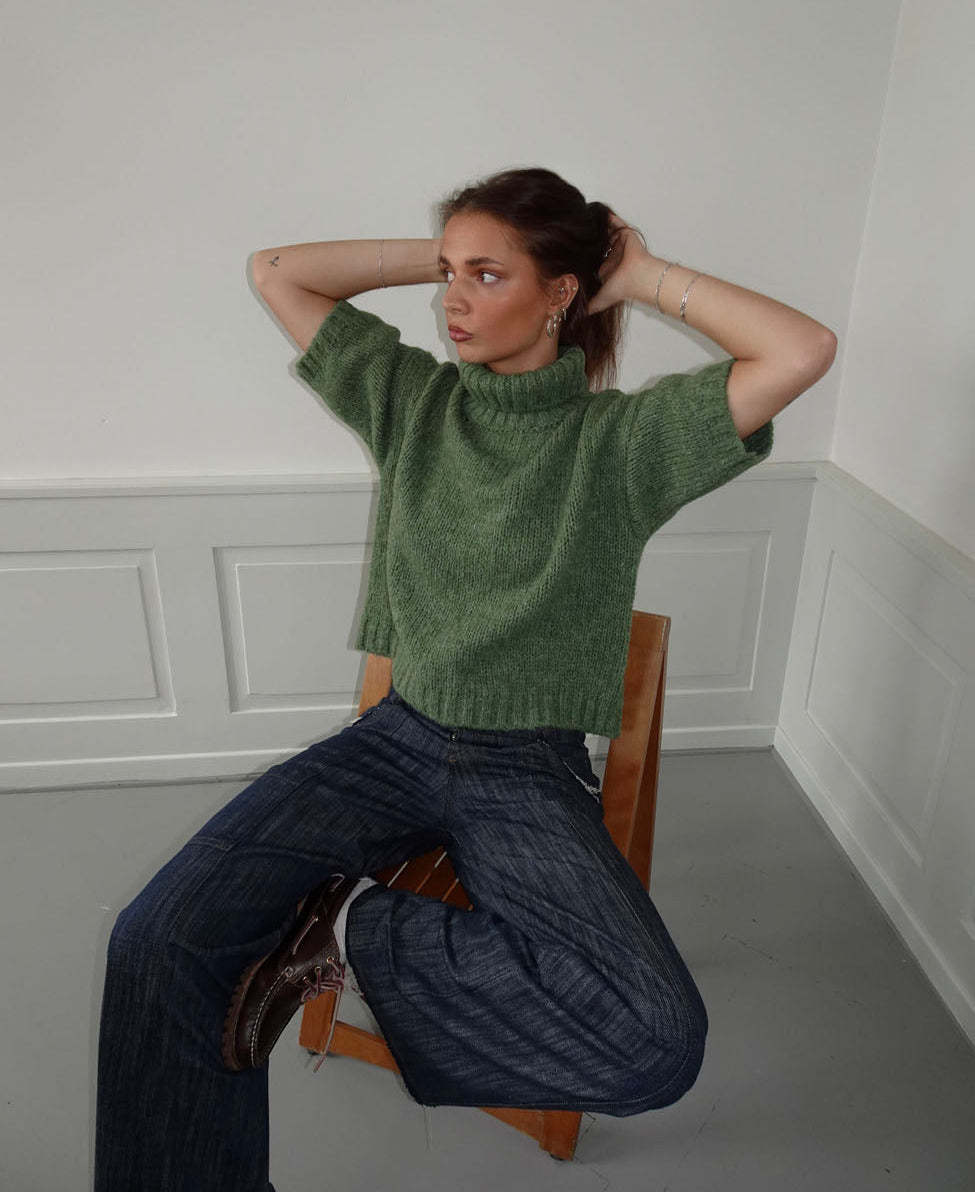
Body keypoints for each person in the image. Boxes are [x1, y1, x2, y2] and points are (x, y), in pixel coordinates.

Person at [93, 166, 836, 1190]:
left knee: (653, 1041)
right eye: (449, 274)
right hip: (391, 743)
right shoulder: (412, 402)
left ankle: (347, 931)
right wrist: (456, 253)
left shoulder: (623, 445)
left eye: (488, 277)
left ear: (563, 292)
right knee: (158, 939)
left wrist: (637, 272)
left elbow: (802, 349)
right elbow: (276, 271)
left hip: (522, 771)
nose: (452, 299)